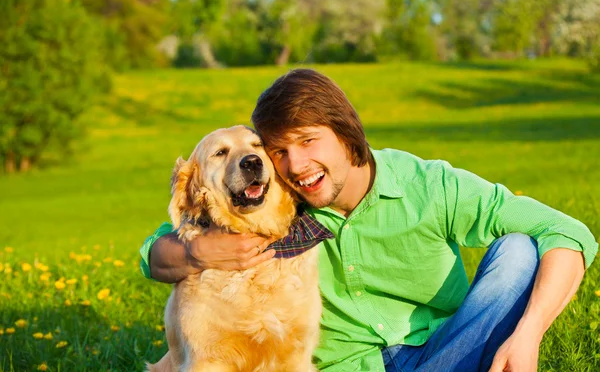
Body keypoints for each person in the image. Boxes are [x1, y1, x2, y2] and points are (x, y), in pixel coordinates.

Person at [139, 69, 597, 372]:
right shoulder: (280, 199)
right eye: (280, 150)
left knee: (518, 249)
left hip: (448, 354)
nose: (296, 165)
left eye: (309, 141)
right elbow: (155, 253)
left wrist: (529, 333)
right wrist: (198, 252)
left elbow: (569, 233)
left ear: (344, 131)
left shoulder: (428, 184)